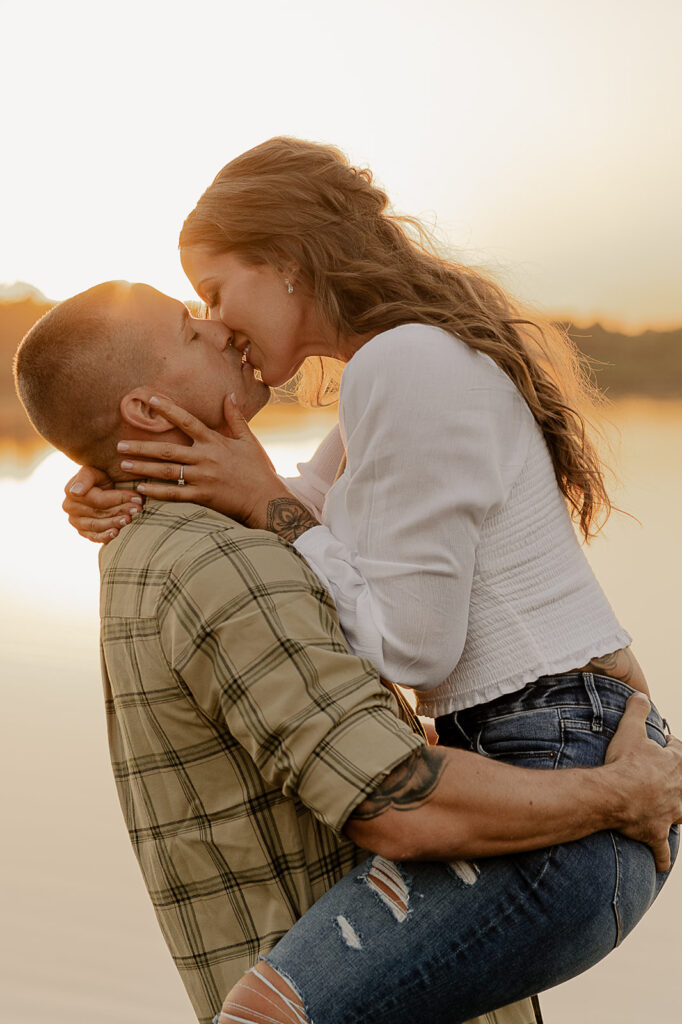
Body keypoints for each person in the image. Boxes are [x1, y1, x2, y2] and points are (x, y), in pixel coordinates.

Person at [60, 137, 679, 1022]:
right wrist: (121, 477)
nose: (217, 318)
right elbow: (302, 506)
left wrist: (267, 499)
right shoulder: (394, 368)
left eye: (214, 291)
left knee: (265, 1016)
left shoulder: (405, 363)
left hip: (555, 757)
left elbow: (415, 646)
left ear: (282, 263)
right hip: (548, 747)